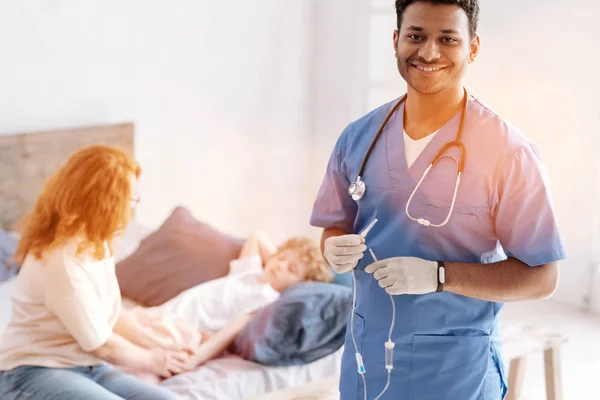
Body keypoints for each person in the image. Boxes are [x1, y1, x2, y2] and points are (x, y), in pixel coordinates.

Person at [310, 1, 565, 399]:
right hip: (366, 361)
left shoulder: (508, 153)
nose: (428, 52)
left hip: (454, 371)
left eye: (448, 39)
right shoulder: (358, 138)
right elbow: (334, 226)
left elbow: (542, 278)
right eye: (416, 36)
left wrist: (440, 276)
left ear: (473, 48)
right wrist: (332, 249)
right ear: (396, 41)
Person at [0, 145, 187, 400]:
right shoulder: (63, 260)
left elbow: (105, 313)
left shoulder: (97, 242)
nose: (132, 209)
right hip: (35, 369)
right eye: (131, 200)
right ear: (106, 203)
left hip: (88, 366)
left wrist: (153, 342)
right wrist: (153, 360)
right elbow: (103, 346)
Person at [142, 231, 334, 373]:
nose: (281, 265)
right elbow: (256, 238)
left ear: (300, 285)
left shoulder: (268, 298)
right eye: (281, 258)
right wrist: (287, 255)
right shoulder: (249, 272)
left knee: (137, 356)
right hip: (166, 312)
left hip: (185, 328)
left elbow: (234, 328)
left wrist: (198, 357)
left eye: (291, 269)